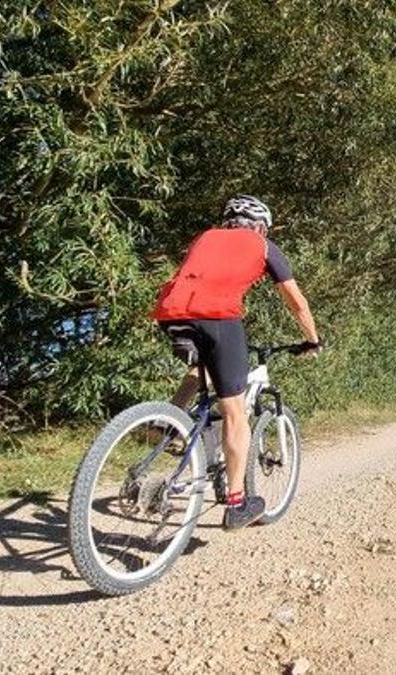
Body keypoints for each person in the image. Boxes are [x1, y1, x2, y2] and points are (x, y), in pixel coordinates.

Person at [151, 195, 320, 529]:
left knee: (204, 372)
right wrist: (313, 339)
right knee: (235, 411)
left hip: (170, 313)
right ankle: (237, 502)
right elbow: (296, 302)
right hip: (216, 315)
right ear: (259, 226)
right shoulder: (264, 246)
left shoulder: (205, 237)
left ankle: (169, 422)